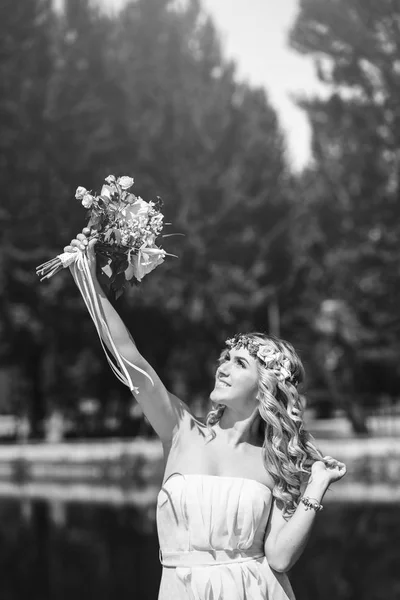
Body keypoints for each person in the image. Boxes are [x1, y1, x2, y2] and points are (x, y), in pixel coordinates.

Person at [65, 230, 347, 600]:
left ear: (267, 385)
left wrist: (316, 484)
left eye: (239, 363)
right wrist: (86, 280)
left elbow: (279, 558)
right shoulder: (181, 429)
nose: (223, 368)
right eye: (224, 359)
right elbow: (130, 358)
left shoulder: (273, 462)